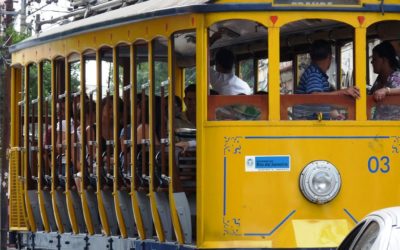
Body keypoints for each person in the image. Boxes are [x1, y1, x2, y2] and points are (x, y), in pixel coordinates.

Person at [294, 40, 360, 120]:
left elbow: (321, 104)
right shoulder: (314, 74)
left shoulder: (317, 73)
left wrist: (336, 115)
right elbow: (315, 96)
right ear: (329, 57)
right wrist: (344, 91)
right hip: (308, 126)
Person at [368, 41, 400, 120]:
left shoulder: (396, 77)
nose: (371, 62)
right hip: (378, 127)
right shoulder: (379, 79)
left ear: (384, 60)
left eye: (374, 59)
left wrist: (387, 90)